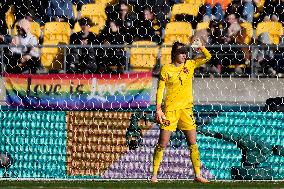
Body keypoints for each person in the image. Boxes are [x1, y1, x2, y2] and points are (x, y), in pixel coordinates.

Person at [151, 39, 212, 183]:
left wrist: (201, 48)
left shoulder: (190, 64)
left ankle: (197, 175)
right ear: (174, 54)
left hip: (186, 110)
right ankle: (154, 175)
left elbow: (208, 57)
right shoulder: (166, 69)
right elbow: (160, 90)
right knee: (162, 143)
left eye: (185, 52)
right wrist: (158, 109)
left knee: (193, 143)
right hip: (170, 111)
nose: (184, 55)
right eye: (181, 53)